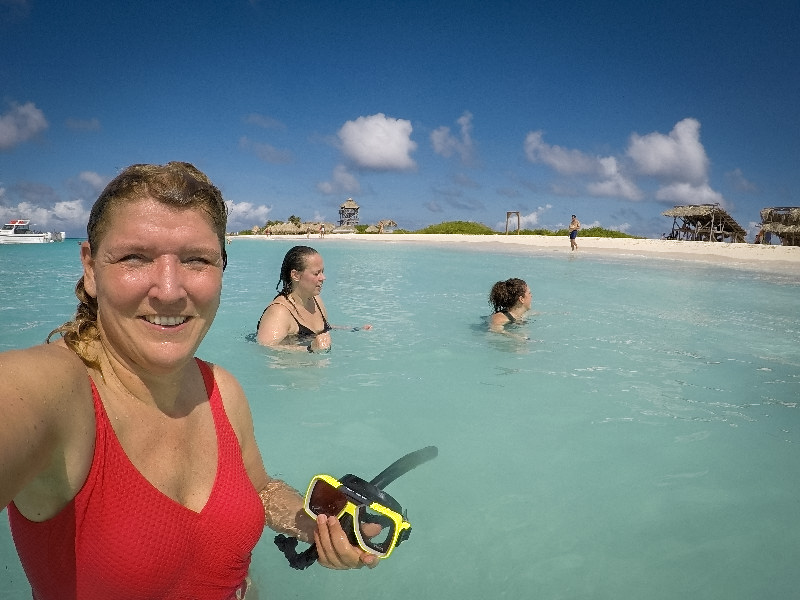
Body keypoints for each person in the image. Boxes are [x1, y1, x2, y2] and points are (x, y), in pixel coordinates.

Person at [1, 162, 375, 600]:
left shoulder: (223, 389)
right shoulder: (54, 390)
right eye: (134, 257)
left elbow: (262, 488)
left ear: (222, 269)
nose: (170, 290)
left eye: (196, 260)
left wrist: (311, 523)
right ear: (90, 268)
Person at [255, 246, 370, 350]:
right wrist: (310, 348)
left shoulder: (316, 300)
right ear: (295, 275)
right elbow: (266, 348)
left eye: (322, 272)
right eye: (316, 273)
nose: (323, 278)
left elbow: (323, 329)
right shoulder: (279, 312)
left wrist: (354, 329)